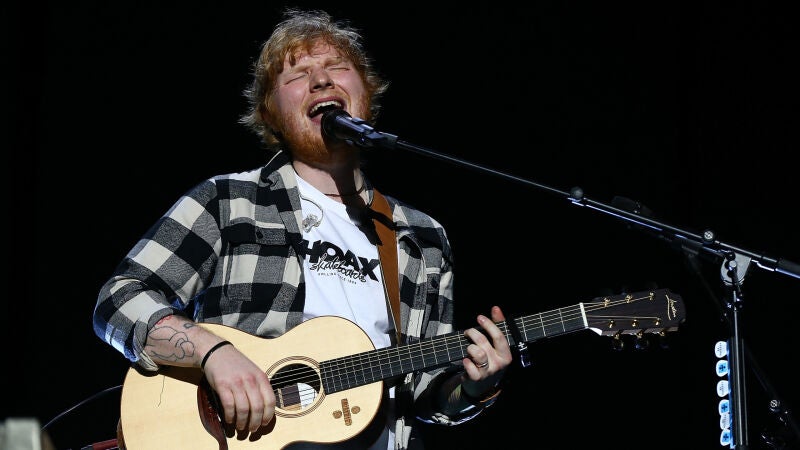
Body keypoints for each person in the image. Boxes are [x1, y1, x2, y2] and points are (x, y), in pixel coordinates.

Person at [93, 7, 512, 449]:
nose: (321, 80)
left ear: (367, 93)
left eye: (338, 67)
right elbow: (120, 298)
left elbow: (426, 393)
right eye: (297, 74)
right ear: (270, 112)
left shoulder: (422, 238)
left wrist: (473, 389)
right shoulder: (228, 201)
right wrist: (213, 352)